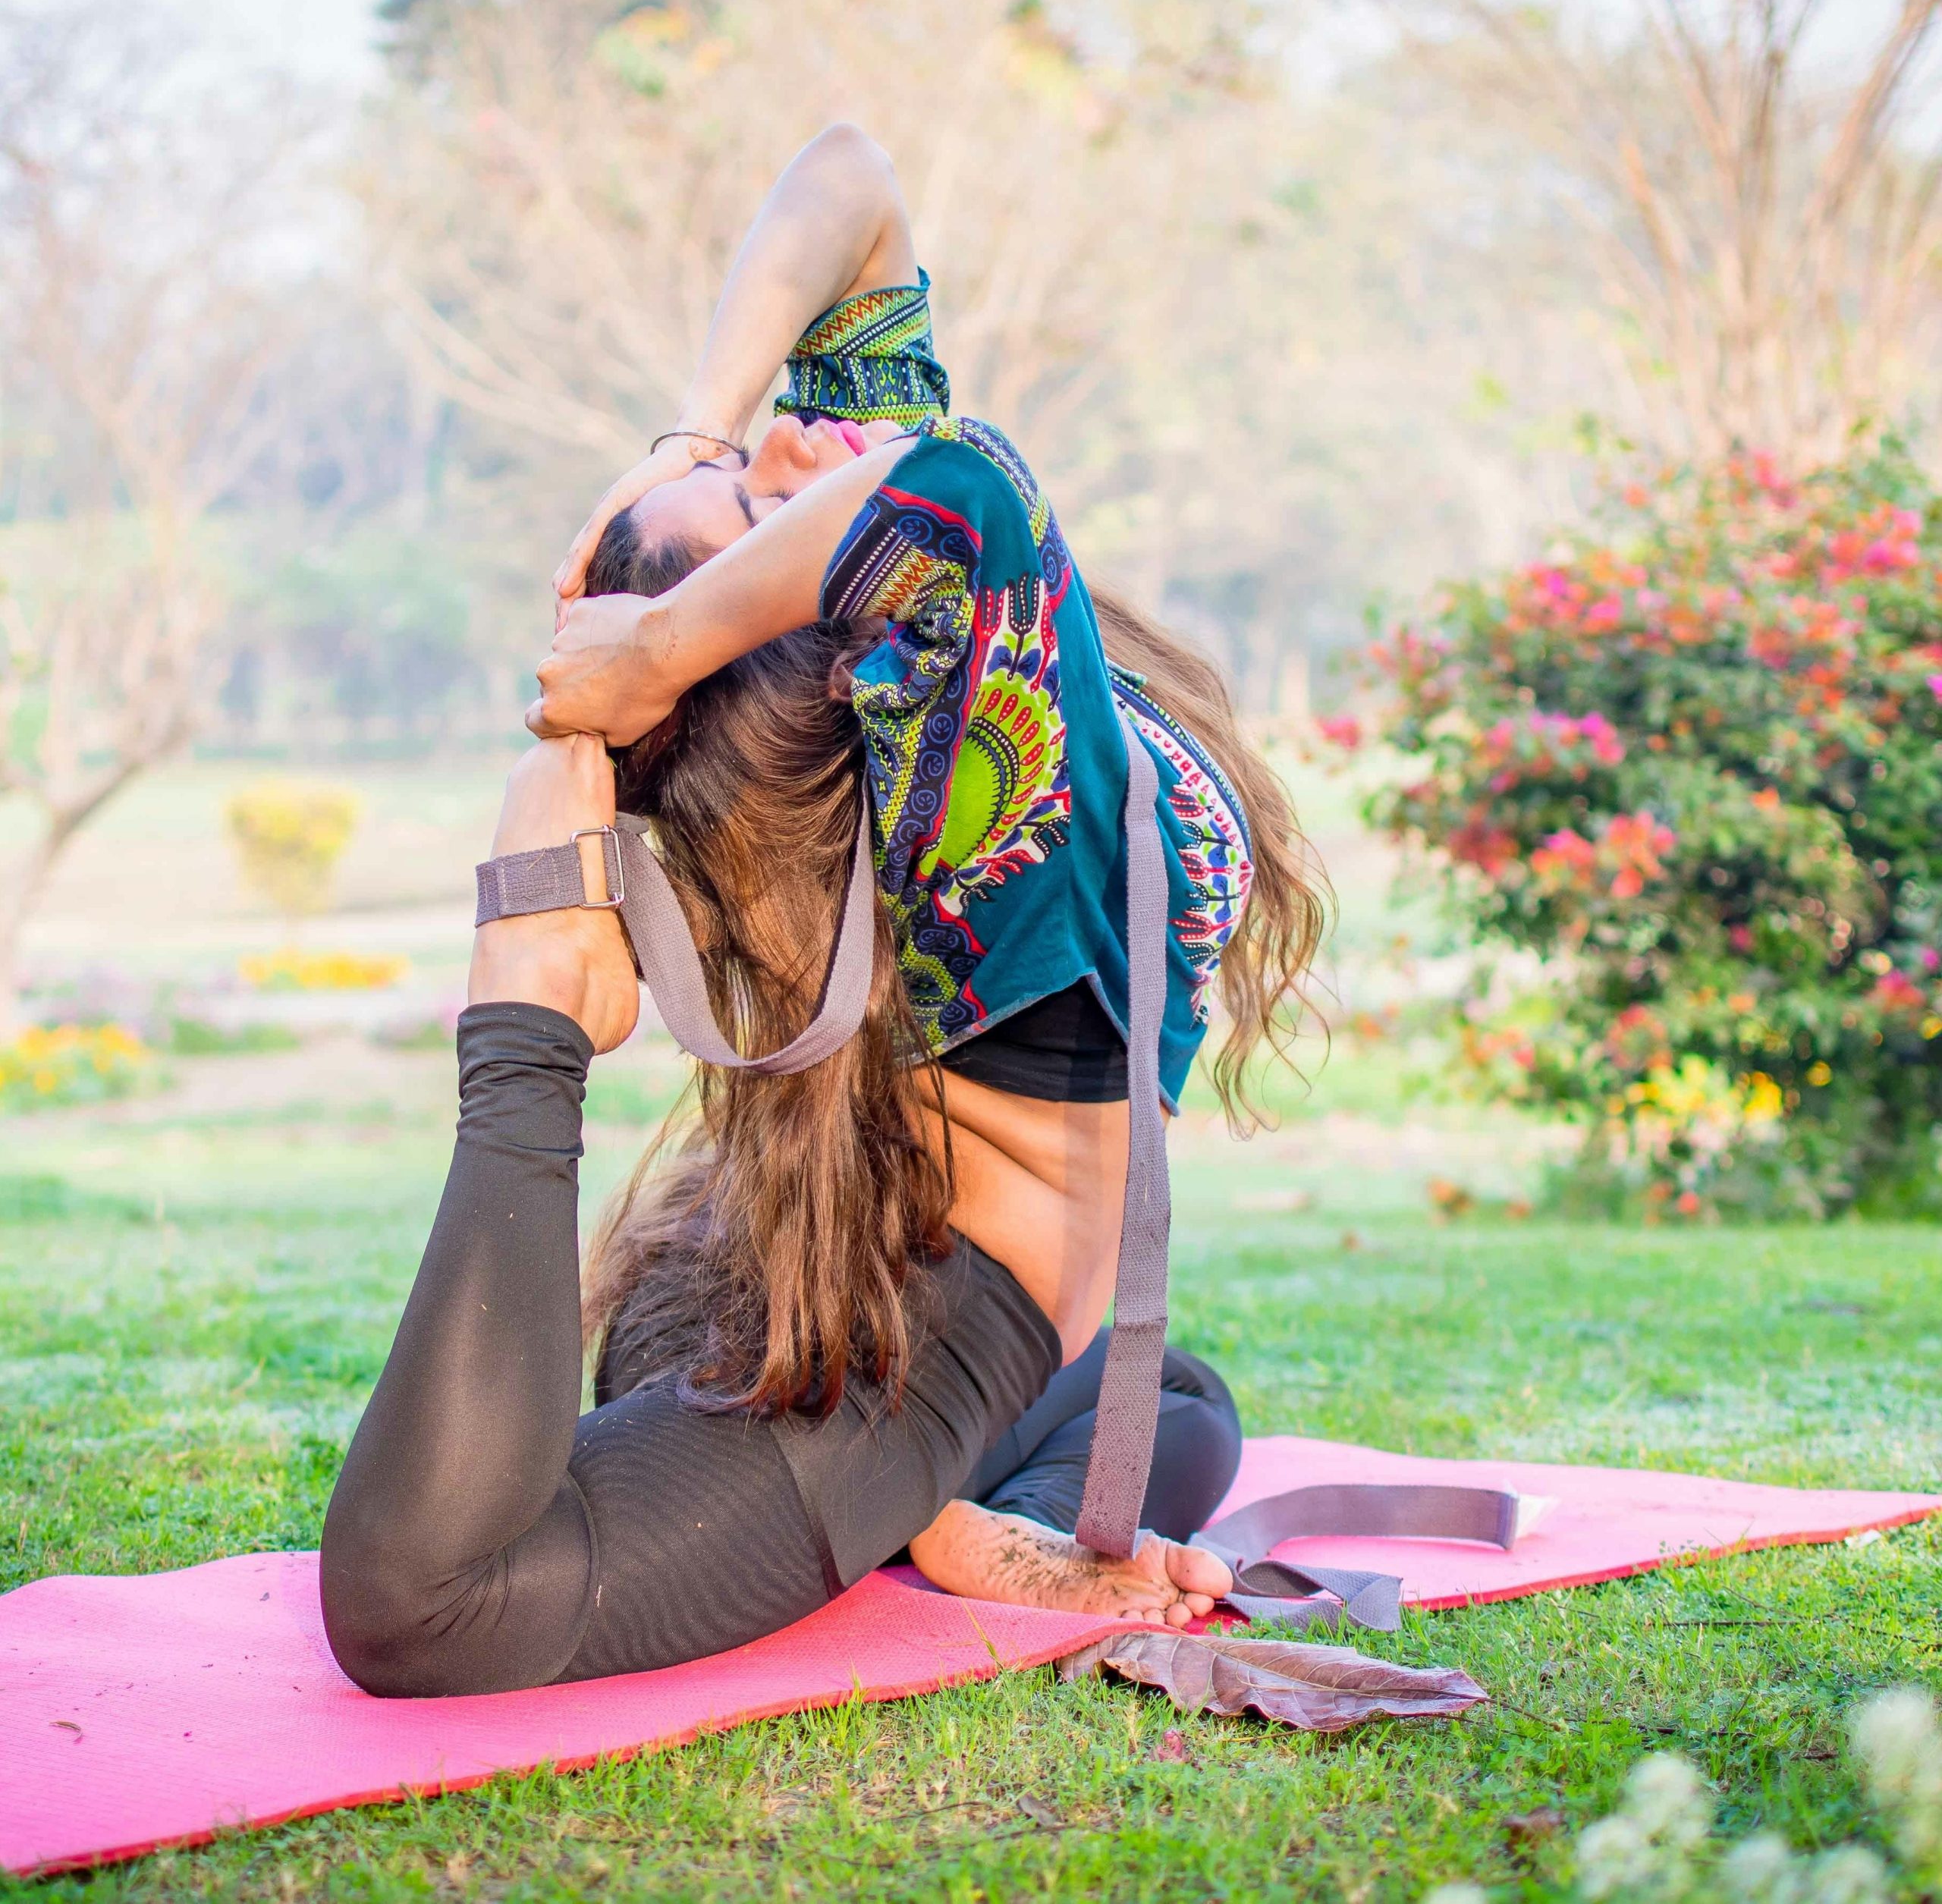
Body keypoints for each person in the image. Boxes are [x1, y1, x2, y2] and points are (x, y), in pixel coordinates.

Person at [319, 126, 1326, 1698]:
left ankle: (925, 1511)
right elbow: (965, 481)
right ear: (817, 668)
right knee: (432, 1598)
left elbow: (844, 180)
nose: (794, 436)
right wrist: (541, 953)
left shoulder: (946, 690)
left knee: (1176, 1397)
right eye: (748, 501)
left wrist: (681, 441)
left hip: (924, 1283)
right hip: (920, 1328)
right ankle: (900, 1475)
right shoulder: (973, 803)